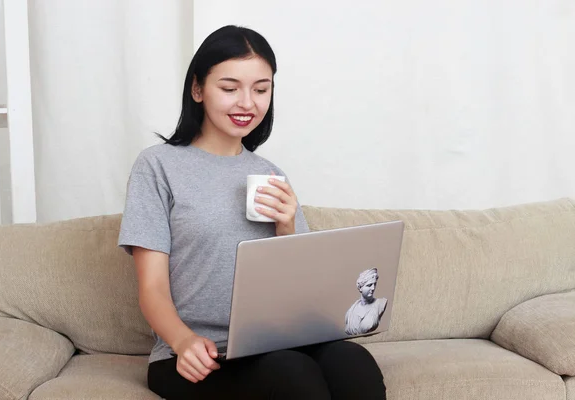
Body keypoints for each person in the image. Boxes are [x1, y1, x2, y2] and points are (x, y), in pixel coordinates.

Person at [118, 25, 387, 399]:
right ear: (198, 89)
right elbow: (152, 288)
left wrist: (287, 229)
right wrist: (183, 342)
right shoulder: (157, 166)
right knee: (290, 373)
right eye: (230, 89)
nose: (247, 103)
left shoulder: (272, 175)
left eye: (261, 89)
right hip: (197, 354)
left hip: (273, 342)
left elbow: (301, 290)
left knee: (353, 362)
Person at [345, 268, 388, 335]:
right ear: (360, 288)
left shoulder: (381, 303)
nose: (373, 288)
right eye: (369, 285)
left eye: (374, 284)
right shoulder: (351, 311)